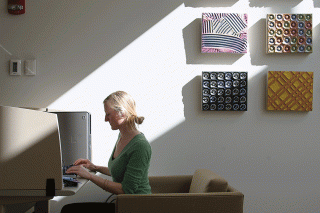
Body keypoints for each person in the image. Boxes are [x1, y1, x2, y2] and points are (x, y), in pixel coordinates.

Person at [61, 91, 152, 212]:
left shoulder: (140, 145)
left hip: (137, 207)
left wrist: (89, 176)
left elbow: (126, 190)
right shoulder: (122, 136)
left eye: (108, 114)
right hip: (124, 204)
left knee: (69, 211)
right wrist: (94, 167)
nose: (105, 119)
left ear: (122, 113)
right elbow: (121, 171)